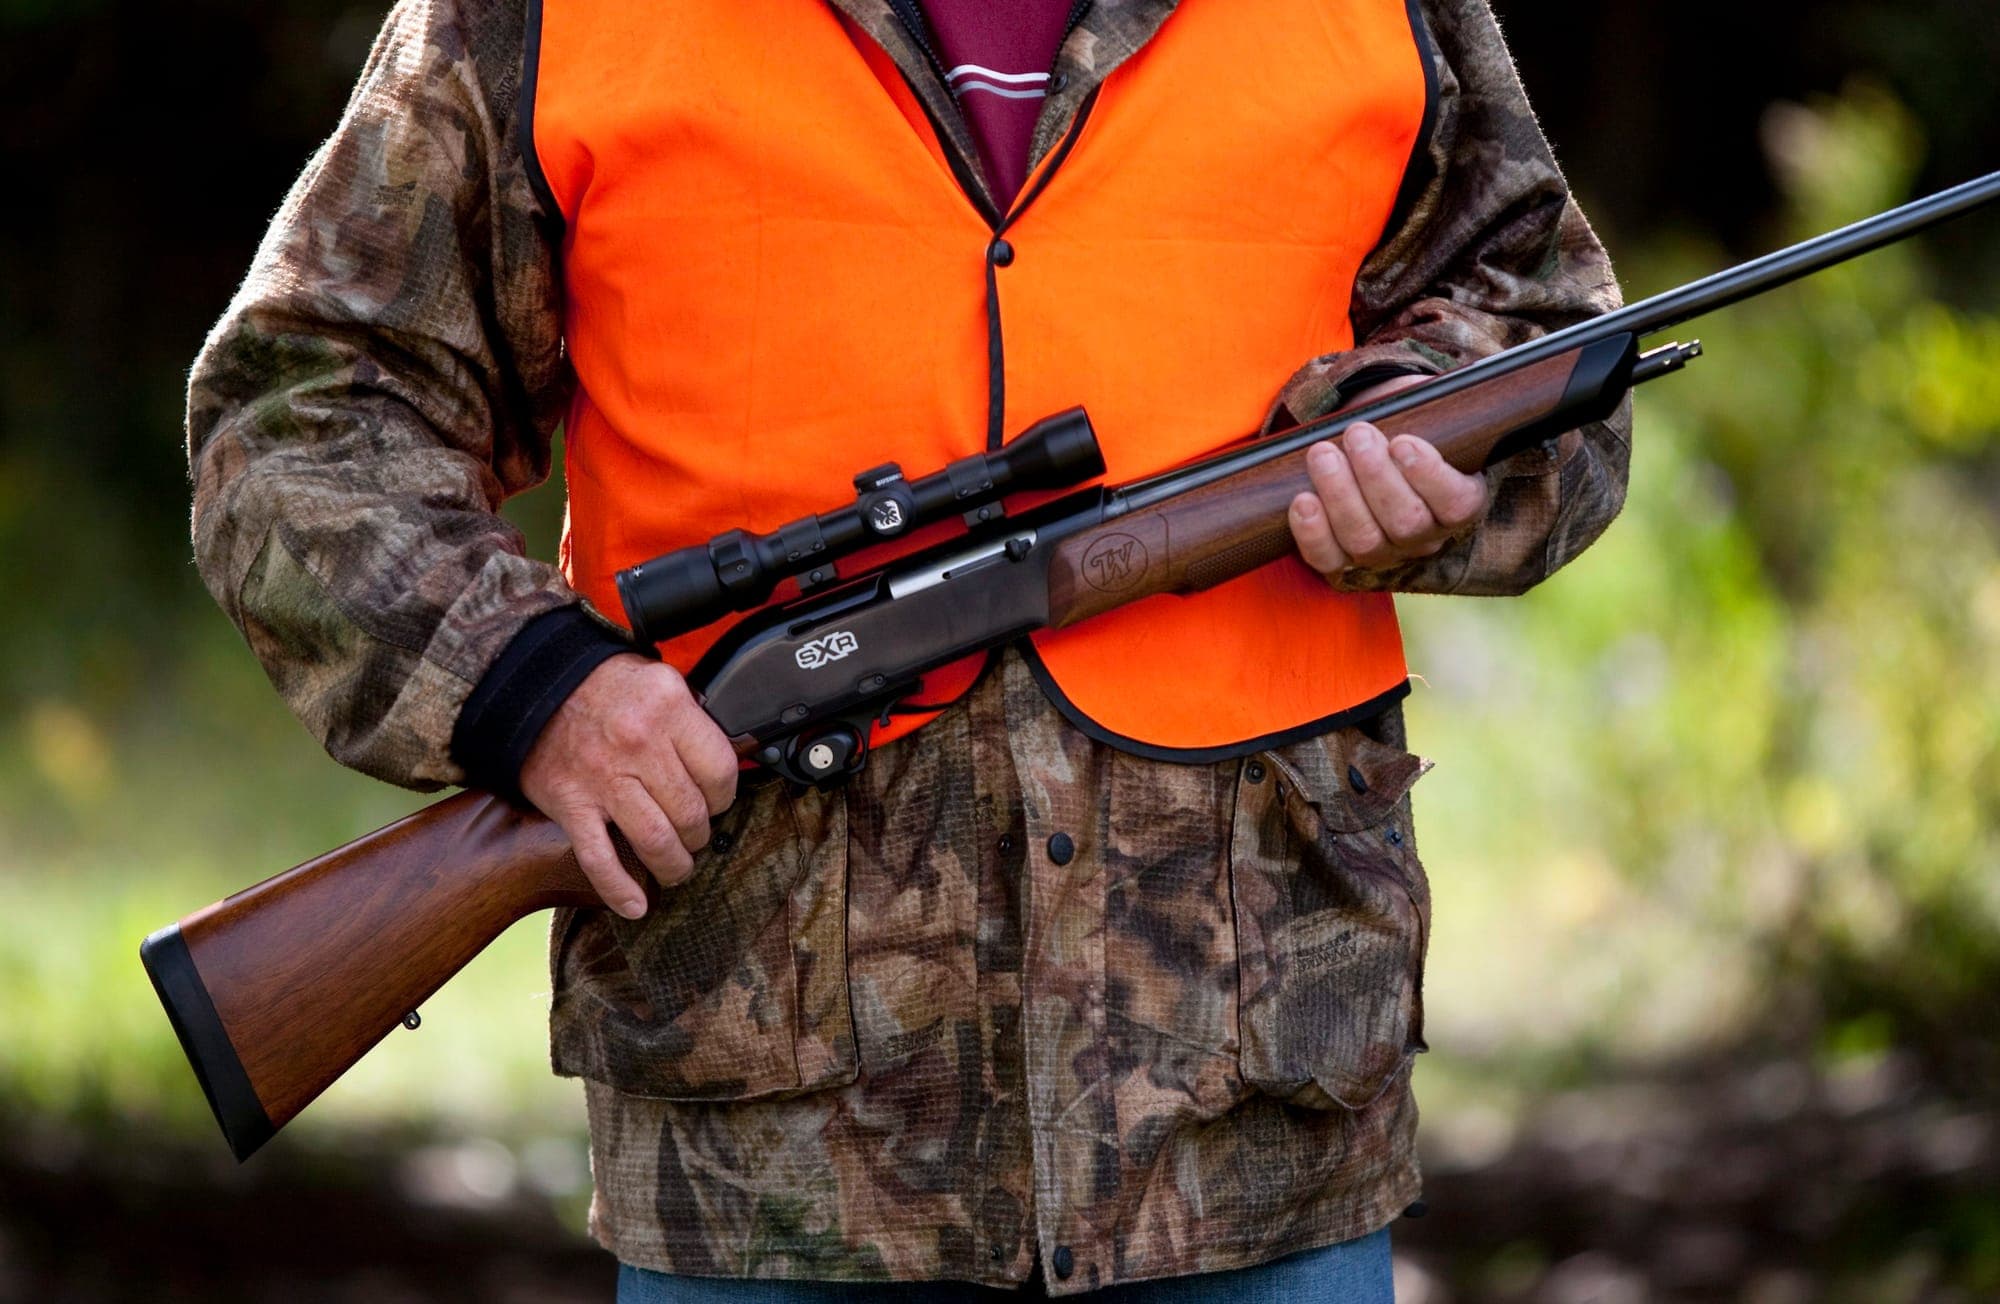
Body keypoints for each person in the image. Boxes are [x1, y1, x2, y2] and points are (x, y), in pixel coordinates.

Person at [185, 0, 1629, 1298]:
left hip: (1255, 1123)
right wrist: (534, 692)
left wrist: (1410, 439)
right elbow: (301, 412)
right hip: (773, 1167)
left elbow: (1553, 340)